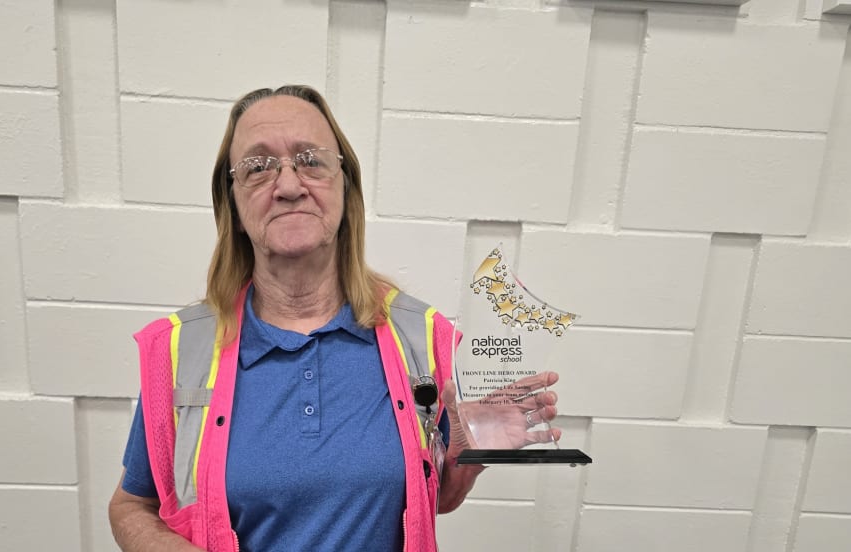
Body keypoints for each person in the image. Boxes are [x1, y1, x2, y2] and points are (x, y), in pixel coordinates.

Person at [108, 85, 561, 552]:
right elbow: (130, 506)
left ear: (346, 190)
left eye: (311, 160)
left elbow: (434, 498)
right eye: (258, 167)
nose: (288, 186)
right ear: (235, 208)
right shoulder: (183, 351)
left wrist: (466, 460)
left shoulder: (419, 337)